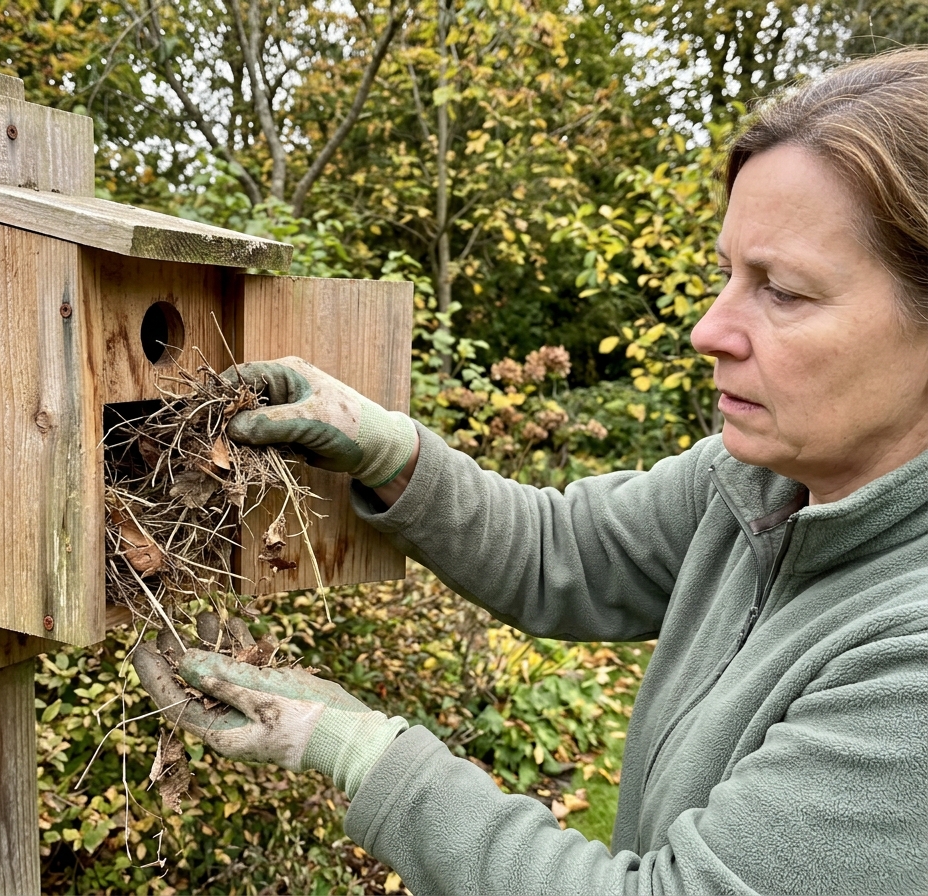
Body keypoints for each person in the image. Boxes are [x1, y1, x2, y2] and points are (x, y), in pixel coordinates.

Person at [135, 48, 928, 895]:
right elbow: (568, 551)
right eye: (728, 273)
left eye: (785, 291)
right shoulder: (763, 483)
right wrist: (390, 452)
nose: (709, 330)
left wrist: (360, 752)